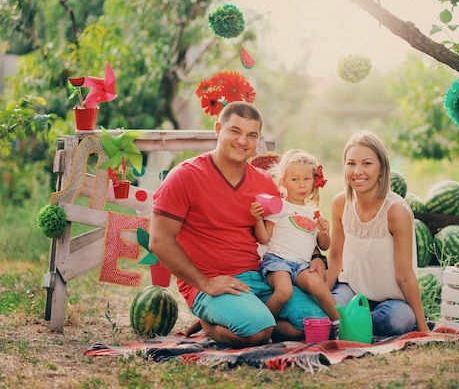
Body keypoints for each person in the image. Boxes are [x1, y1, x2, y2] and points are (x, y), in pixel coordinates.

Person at [149, 101, 326, 347]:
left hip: (259, 278)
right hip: (211, 281)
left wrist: (318, 255)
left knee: (314, 321)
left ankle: (247, 316)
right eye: (235, 131)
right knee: (257, 331)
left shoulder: (264, 183)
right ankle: (212, 324)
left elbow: (288, 227)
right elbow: (159, 241)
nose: (243, 141)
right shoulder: (184, 176)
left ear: (258, 140)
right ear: (218, 129)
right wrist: (205, 284)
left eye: (251, 135)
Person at [325, 130, 429, 336]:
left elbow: (405, 276)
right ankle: (351, 320)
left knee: (401, 319)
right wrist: (322, 296)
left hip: (389, 302)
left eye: (367, 163)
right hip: (351, 290)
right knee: (326, 307)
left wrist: (423, 328)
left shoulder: (396, 211)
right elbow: (335, 258)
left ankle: (350, 322)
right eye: (351, 163)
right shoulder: (340, 203)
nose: (357, 171)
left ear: (381, 168)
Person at [251, 149, 340, 334]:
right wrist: (258, 220)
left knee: (317, 283)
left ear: (314, 181)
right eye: (295, 180)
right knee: (284, 291)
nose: (302, 185)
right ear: (282, 182)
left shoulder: (314, 213)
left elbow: (324, 246)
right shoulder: (279, 207)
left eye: (306, 179)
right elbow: (264, 238)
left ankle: (340, 322)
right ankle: (261, 326)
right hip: (277, 261)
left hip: (302, 266)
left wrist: (324, 232)